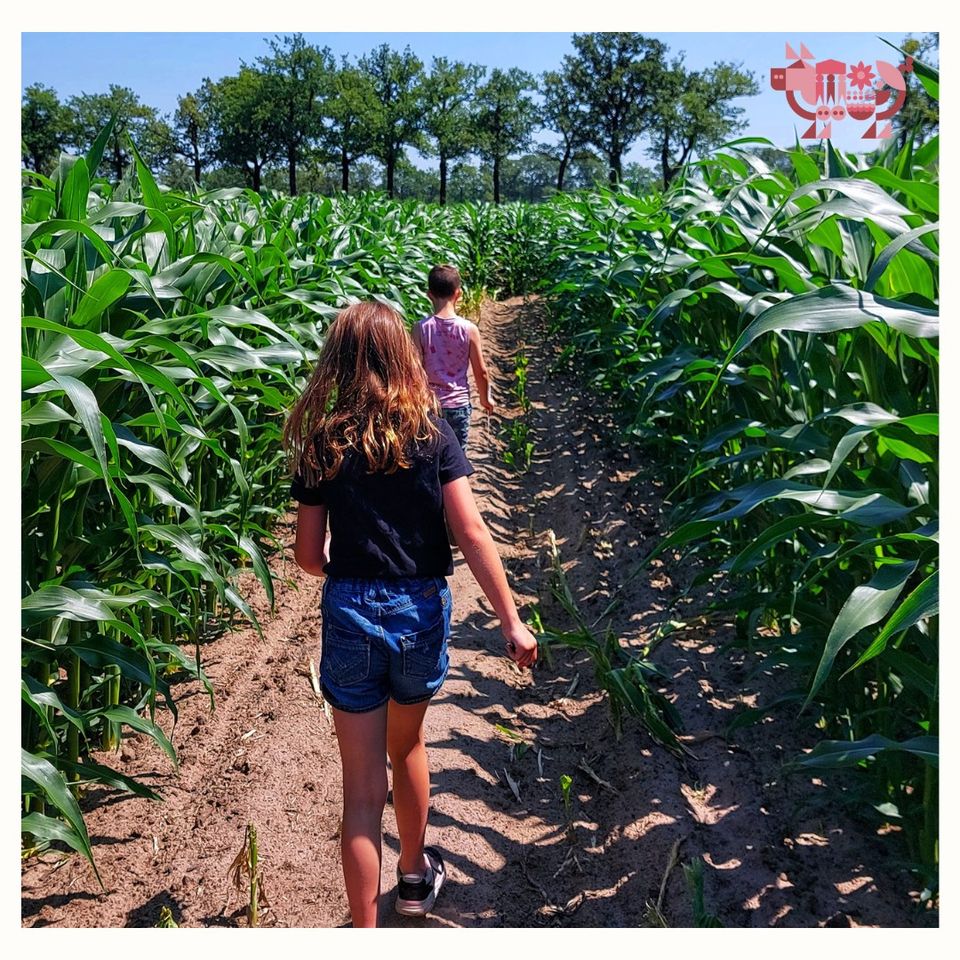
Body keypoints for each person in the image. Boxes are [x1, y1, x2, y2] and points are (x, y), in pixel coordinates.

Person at [282, 301, 538, 928]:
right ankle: (415, 881)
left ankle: (366, 933)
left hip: (349, 610)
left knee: (362, 794)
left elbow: (308, 556)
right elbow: (472, 531)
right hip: (420, 609)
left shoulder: (321, 441)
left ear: (336, 360)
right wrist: (510, 620)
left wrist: (347, 578)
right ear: (402, 353)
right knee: (409, 746)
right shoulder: (431, 431)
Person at [414, 264, 494, 453]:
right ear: (458, 294)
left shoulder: (420, 328)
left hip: (430, 406)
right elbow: (480, 371)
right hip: (458, 406)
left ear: (429, 294)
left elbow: (414, 369)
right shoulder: (469, 330)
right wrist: (485, 398)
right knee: (457, 459)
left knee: (430, 456)